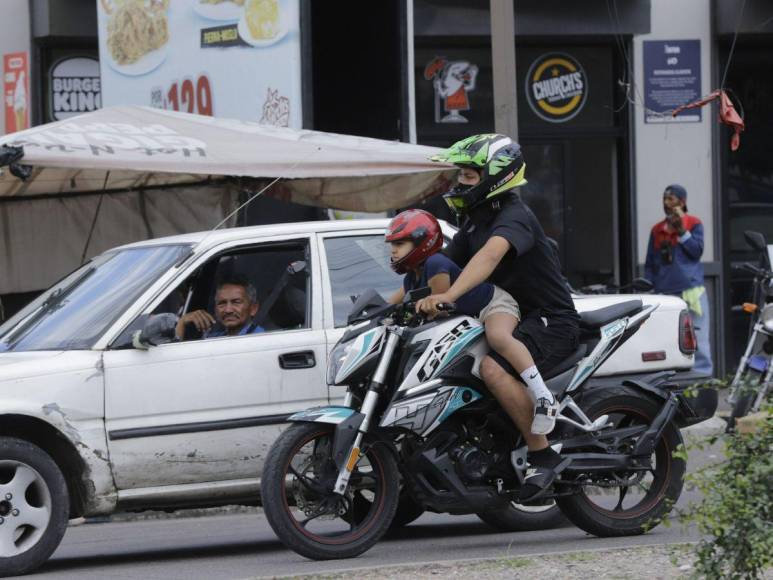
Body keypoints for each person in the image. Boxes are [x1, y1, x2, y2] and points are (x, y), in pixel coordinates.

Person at [417, 134, 580, 501]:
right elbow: (446, 262)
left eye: (470, 176)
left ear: (497, 176)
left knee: (492, 368)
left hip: (549, 320)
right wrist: (396, 303)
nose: (461, 183)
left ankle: (542, 453)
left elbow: (488, 259)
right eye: (461, 175)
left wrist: (450, 296)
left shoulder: (514, 217)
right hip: (516, 317)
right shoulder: (477, 220)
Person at [385, 209, 521, 330]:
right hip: (470, 316)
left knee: (498, 337)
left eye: (399, 244)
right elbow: (387, 306)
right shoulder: (411, 277)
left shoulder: (435, 264)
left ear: (422, 241)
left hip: (493, 306)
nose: (393, 251)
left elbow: (439, 310)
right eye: (392, 245)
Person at [645, 184, 712, 376]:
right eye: (664, 199)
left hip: (691, 292)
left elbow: (696, 252)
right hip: (665, 293)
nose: (666, 203)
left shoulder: (693, 223)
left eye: (671, 199)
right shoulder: (657, 229)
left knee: (698, 337)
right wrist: (649, 286)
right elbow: (650, 263)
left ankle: (701, 380)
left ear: (682, 202)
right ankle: (672, 379)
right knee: (667, 340)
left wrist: (682, 231)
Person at [175, 274, 265, 340]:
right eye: (222, 303)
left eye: (236, 302)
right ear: (215, 309)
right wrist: (182, 321)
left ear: (253, 308)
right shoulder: (215, 338)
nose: (228, 310)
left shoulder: (261, 338)